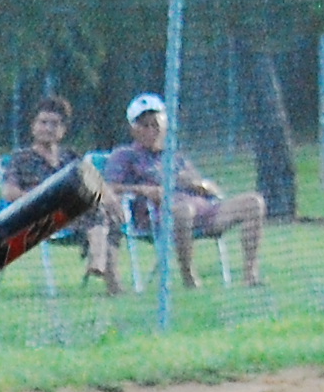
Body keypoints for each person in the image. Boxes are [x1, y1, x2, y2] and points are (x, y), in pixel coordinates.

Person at [102, 92, 265, 289]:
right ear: (133, 129)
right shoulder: (125, 155)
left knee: (253, 202)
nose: (151, 130)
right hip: (159, 216)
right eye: (145, 125)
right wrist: (143, 190)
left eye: (156, 124)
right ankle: (189, 276)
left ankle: (250, 275)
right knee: (182, 210)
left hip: (204, 212)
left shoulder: (174, 156)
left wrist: (199, 185)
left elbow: (212, 190)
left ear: (165, 125)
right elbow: (109, 188)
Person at [0, 94, 119, 293]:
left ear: (63, 130)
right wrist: (42, 199)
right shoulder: (22, 158)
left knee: (105, 213)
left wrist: (111, 200)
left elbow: (95, 181)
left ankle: (109, 278)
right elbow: (9, 192)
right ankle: (100, 265)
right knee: (95, 212)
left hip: (75, 215)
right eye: (43, 122)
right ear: (33, 126)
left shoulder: (69, 157)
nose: (48, 128)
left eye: (54, 124)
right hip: (40, 216)